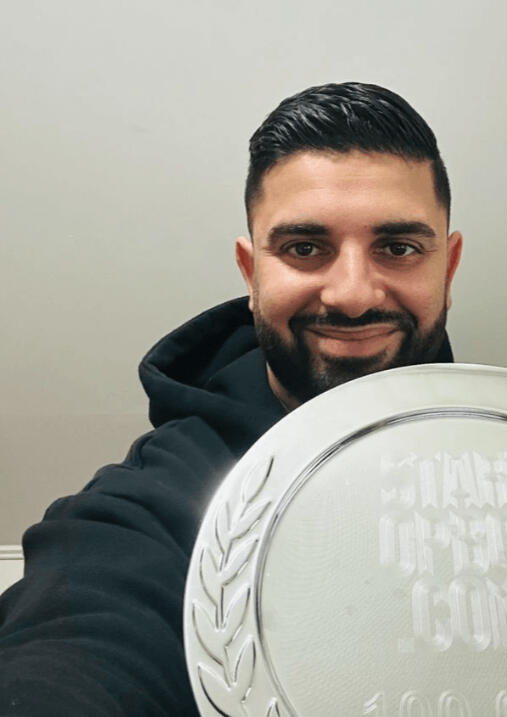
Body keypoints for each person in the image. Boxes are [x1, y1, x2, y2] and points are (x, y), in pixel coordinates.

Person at [0, 82, 462, 715]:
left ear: (448, 268)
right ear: (251, 273)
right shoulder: (157, 502)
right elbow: (78, 640)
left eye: (399, 248)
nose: (353, 295)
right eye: (305, 248)